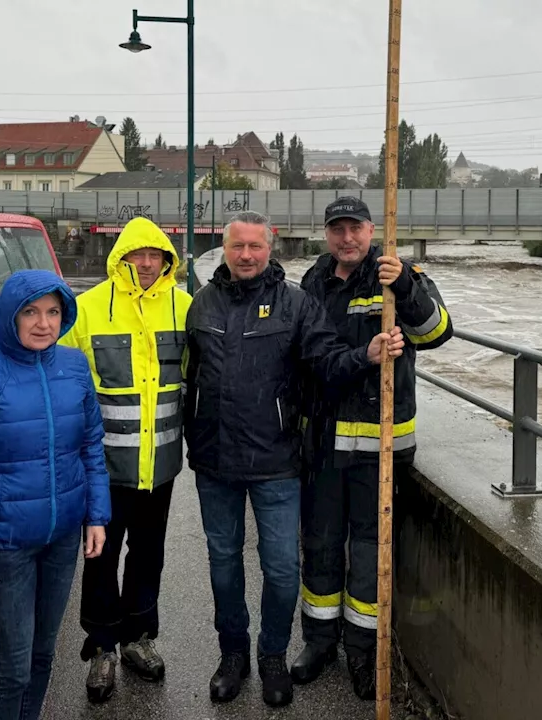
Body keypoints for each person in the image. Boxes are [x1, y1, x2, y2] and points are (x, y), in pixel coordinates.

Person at [183, 210, 405, 708]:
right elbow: (188, 377)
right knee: (224, 566)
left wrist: (365, 355)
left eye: (254, 247)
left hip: (277, 462)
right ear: (224, 249)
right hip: (215, 462)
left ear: (270, 247)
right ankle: (233, 655)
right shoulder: (201, 304)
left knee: (283, 569)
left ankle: (271, 657)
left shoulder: (296, 304)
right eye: (236, 246)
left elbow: (326, 361)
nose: (245, 256)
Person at [293, 196, 453, 700]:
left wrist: (403, 283)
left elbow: (438, 332)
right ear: (326, 235)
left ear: (371, 230)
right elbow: (307, 355)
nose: (347, 239)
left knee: (367, 554)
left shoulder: (398, 276)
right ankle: (319, 642)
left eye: (355, 229)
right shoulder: (314, 283)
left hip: (376, 449)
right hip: (321, 446)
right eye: (337, 230)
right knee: (318, 547)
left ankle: (363, 654)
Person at [0, 269, 111, 720]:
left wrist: (96, 515)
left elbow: (91, 444)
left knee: (42, 656)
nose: (43, 323)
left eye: (53, 312)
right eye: (30, 312)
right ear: (10, 314)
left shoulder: (73, 365)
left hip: (63, 536)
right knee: (12, 666)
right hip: (7, 544)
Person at [58, 217, 191, 703]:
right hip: (103, 466)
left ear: (167, 259)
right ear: (121, 258)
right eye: (138, 254)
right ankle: (101, 646)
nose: (148, 263)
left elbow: (196, 378)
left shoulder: (183, 306)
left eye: (156, 255)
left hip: (160, 466)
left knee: (148, 554)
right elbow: (65, 384)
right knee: (101, 555)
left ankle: (138, 638)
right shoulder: (88, 309)